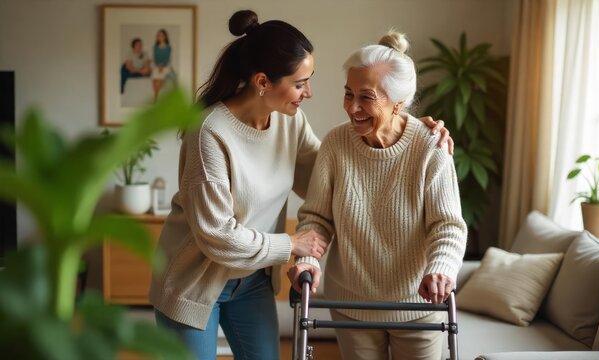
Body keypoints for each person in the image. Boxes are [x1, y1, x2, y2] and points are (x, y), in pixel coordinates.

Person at [148, 10, 452, 360]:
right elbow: (217, 235)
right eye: (299, 83)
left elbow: (338, 180)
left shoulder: (289, 124)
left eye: (310, 79)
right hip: (194, 281)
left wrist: (408, 130)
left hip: (251, 281)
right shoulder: (209, 133)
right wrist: (291, 243)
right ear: (263, 82)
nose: (308, 92)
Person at [288, 30, 467, 360]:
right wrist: (307, 260)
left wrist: (441, 267)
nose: (353, 107)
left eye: (366, 97)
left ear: (398, 102)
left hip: (418, 305)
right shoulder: (335, 145)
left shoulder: (431, 146)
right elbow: (317, 219)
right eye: (348, 94)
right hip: (351, 304)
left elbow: (448, 226)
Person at [152, 29, 174, 102]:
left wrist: (162, 66)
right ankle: (156, 98)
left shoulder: (168, 47)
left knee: (158, 81)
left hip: (165, 67)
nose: (160, 37)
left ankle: (156, 100)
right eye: (158, 36)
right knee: (155, 81)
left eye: (161, 35)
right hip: (157, 66)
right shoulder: (155, 47)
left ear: (165, 37)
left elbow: (167, 59)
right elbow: (155, 58)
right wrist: (158, 66)